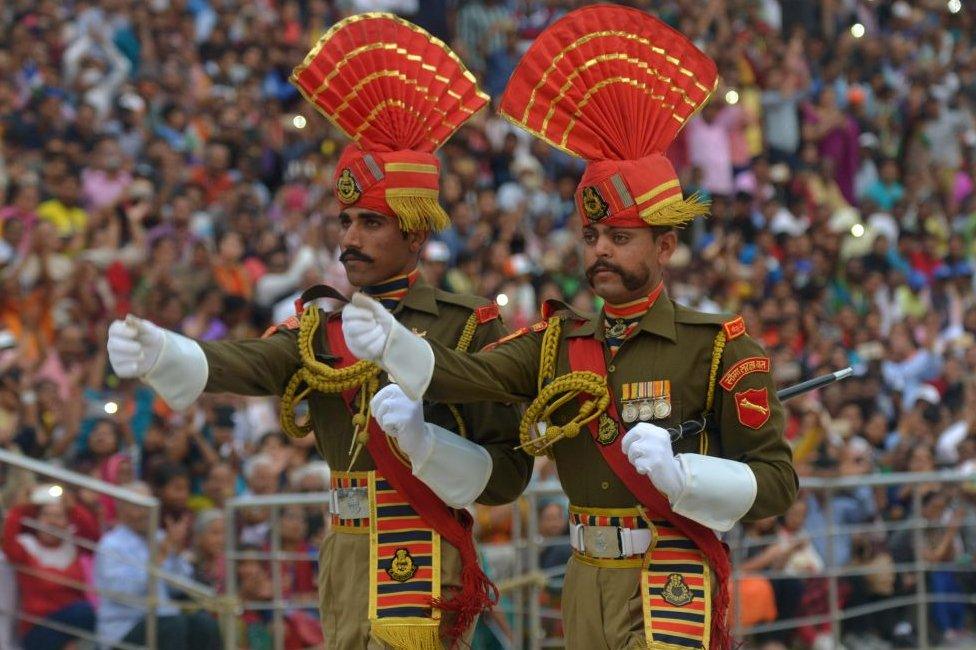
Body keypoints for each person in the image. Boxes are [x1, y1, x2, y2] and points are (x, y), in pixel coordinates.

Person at [341, 6, 797, 649]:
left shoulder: (717, 346)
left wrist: (685, 477)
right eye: (590, 236)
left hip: (669, 575)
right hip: (581, 581)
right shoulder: (560, 341)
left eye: (619, 236)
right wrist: (399, 348)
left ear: (665, 246)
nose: (600, 251)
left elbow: (777, 482)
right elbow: (476, 373)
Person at [105, 13, 531, 649]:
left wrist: (426, 444)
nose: (350, 239)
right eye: (345, 220)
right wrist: (169, 351)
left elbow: (507, 477)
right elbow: (252, 360)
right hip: (342, 552)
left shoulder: (463, 323)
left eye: (371, 224)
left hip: (423, 547)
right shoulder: (319, 324)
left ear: (415, 232)